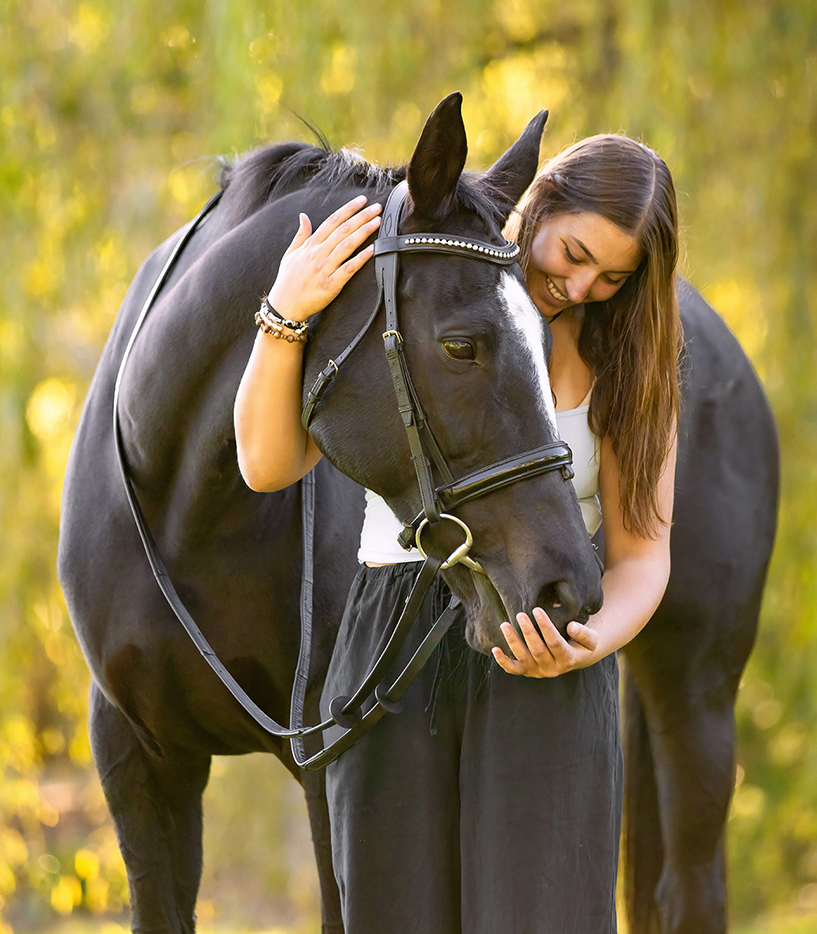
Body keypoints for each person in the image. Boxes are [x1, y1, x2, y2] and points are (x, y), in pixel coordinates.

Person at [234, 134, 680, 933]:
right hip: (393, 648)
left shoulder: (628, 360)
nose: (580, 286)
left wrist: (587, 641)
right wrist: (287, 313)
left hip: (541, 651)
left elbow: (643, 557)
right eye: (573, 253)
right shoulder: (415, 293)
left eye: (612, 277)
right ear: (536, 205)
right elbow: (268, 464)